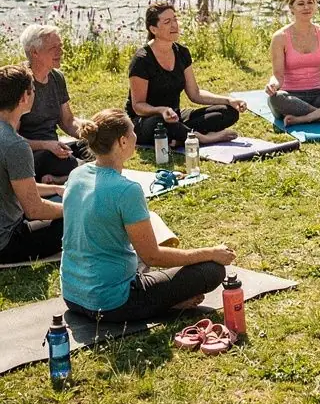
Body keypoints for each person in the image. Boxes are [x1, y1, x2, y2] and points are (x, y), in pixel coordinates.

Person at [61, 109, 234, 322]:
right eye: (133, 132)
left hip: (73, 296)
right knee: (212, 271)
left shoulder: (77, 174)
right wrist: (210, 252)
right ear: (123, 141)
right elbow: (153, 256)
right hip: (112, 304)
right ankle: (166, 304)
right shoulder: (126, 190)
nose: (136, 136)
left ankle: (163, 299)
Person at [126, 2, 246, 149]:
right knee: (160, 122)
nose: (174, 25)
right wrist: (161, 110)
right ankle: (201, 138)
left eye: (175, 19)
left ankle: (179, 137)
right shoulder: (142, 60)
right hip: (145, 121)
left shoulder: (182, 52)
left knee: (229, 111)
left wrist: (229, 100)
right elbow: (138, 106)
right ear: (153, 29)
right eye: (167, 22)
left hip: (175, 117)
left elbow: (195, 94)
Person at [0, 64, 64, 265]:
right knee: (79, 218)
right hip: (6, 243)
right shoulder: (15, 146)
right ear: (24, 98)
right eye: (33, 90)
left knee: (56, 199)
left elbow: (15, 185)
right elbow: (34, 210)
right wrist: (74, 207)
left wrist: (55, 188)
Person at [18, 24, 87, 184]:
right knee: (69, 162)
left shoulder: (57, 77)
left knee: (96, 148)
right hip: (30, 153)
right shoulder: (19, 82)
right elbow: (11, 139)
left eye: (60, 46)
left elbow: (67, 121)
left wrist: (92, 133)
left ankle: (57, 179)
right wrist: (46, 145)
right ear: (34, 52)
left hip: (55, 148)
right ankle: (80, 172)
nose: (60, 52)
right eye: (53, 48)